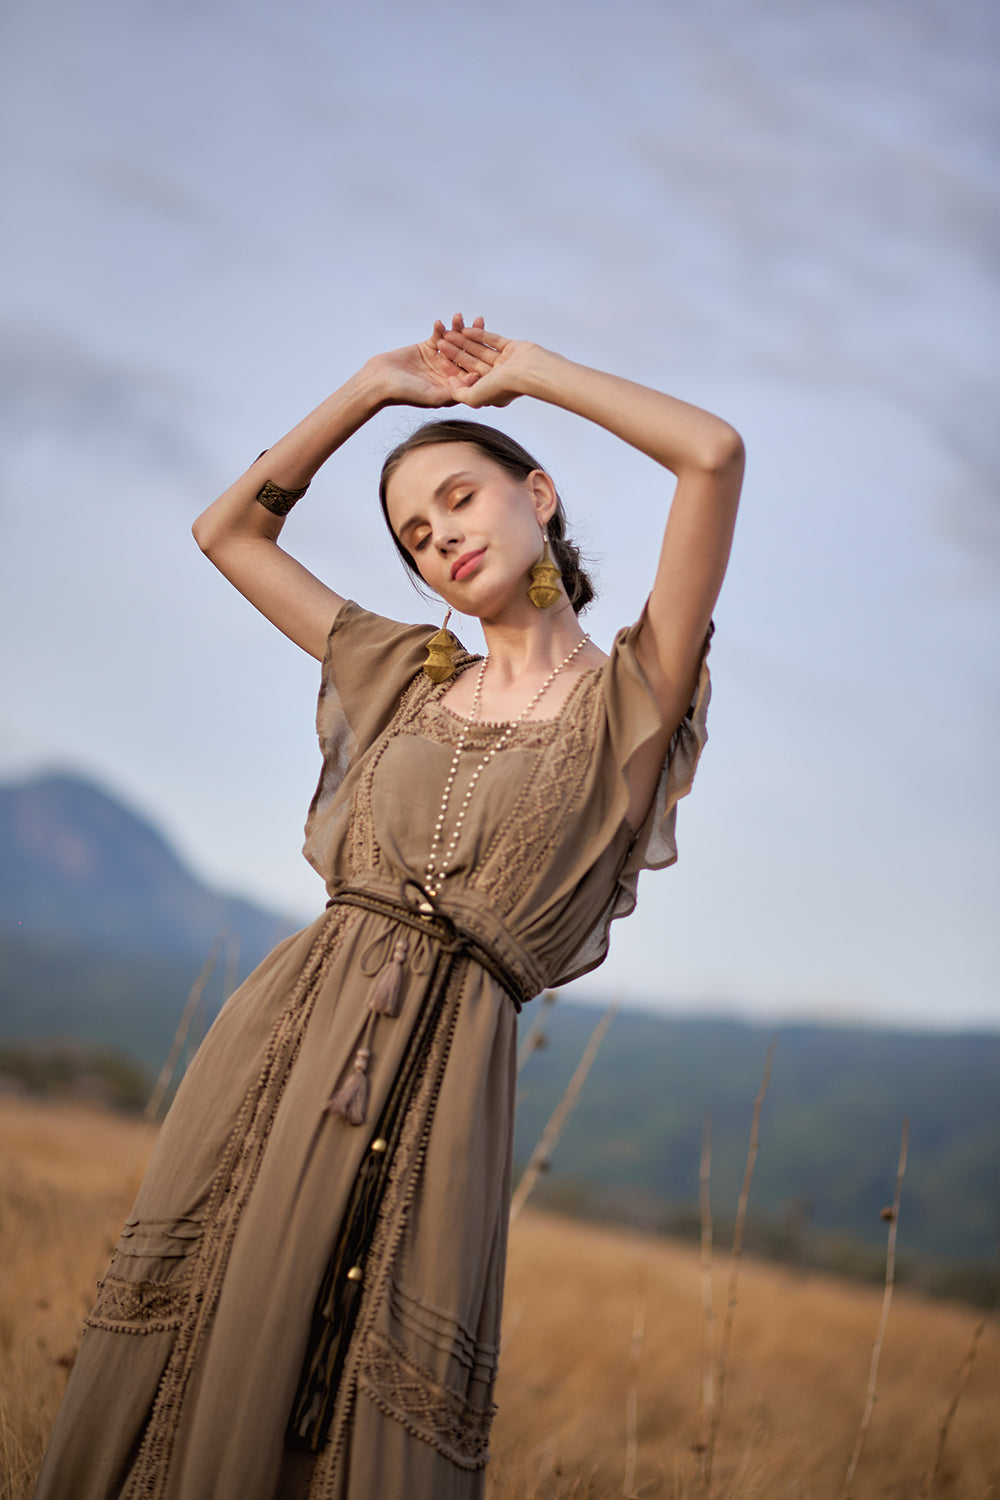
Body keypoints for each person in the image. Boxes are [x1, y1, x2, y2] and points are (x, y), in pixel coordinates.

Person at [34, 316, 743, 1500]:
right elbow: (230, 531)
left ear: (539, 494)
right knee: (205, 1328)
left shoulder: (632, 697)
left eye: (461, 499)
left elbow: (711, 454)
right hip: (282, 1048)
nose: (442, 538)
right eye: (416, 534)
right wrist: (370, 391)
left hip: (449, 1080)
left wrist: (529, 377)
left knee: (373, 1391)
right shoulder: (400, 669)